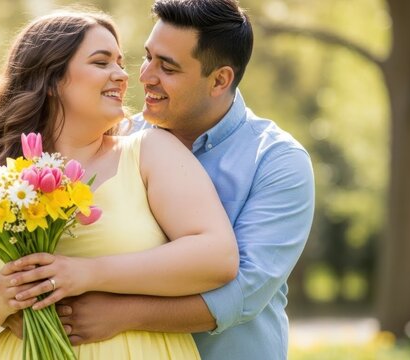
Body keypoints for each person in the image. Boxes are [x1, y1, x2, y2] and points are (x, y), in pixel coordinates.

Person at [0, 9, 240, 360]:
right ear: (51, 79)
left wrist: (86, 274)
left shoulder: (150, 151)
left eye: (120, 63)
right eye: (101, 62)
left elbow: (217, 257)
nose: (122, 75)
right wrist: (1, 300)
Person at [55, 1, 315, 359]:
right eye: (148, 57)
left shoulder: (277, 162)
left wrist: (124, 315)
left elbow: (243, 291)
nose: (145, 76)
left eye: (168, 67)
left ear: (220, 80)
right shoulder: (120, 140)